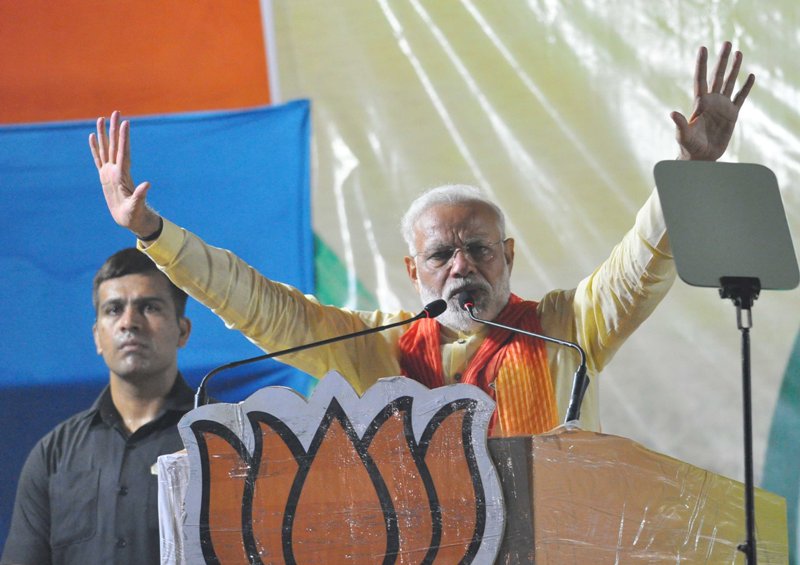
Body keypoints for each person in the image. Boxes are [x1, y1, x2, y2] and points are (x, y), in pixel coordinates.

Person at [87, 42, 753, 436]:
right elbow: (261, 304)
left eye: (480, 248)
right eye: (442, 253)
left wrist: (693, 172)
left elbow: (639, 265)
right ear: (415, 268)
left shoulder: (565, 328)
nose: (463, 264)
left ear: (508, 255)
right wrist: (152, 231)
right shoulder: (379, 345)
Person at [1, 249, 192, 565]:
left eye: (149, 307)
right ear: (97, 337)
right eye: (114, 309)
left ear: (182, 330)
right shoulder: (54, 456)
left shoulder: (220, 441)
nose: (129, 323)